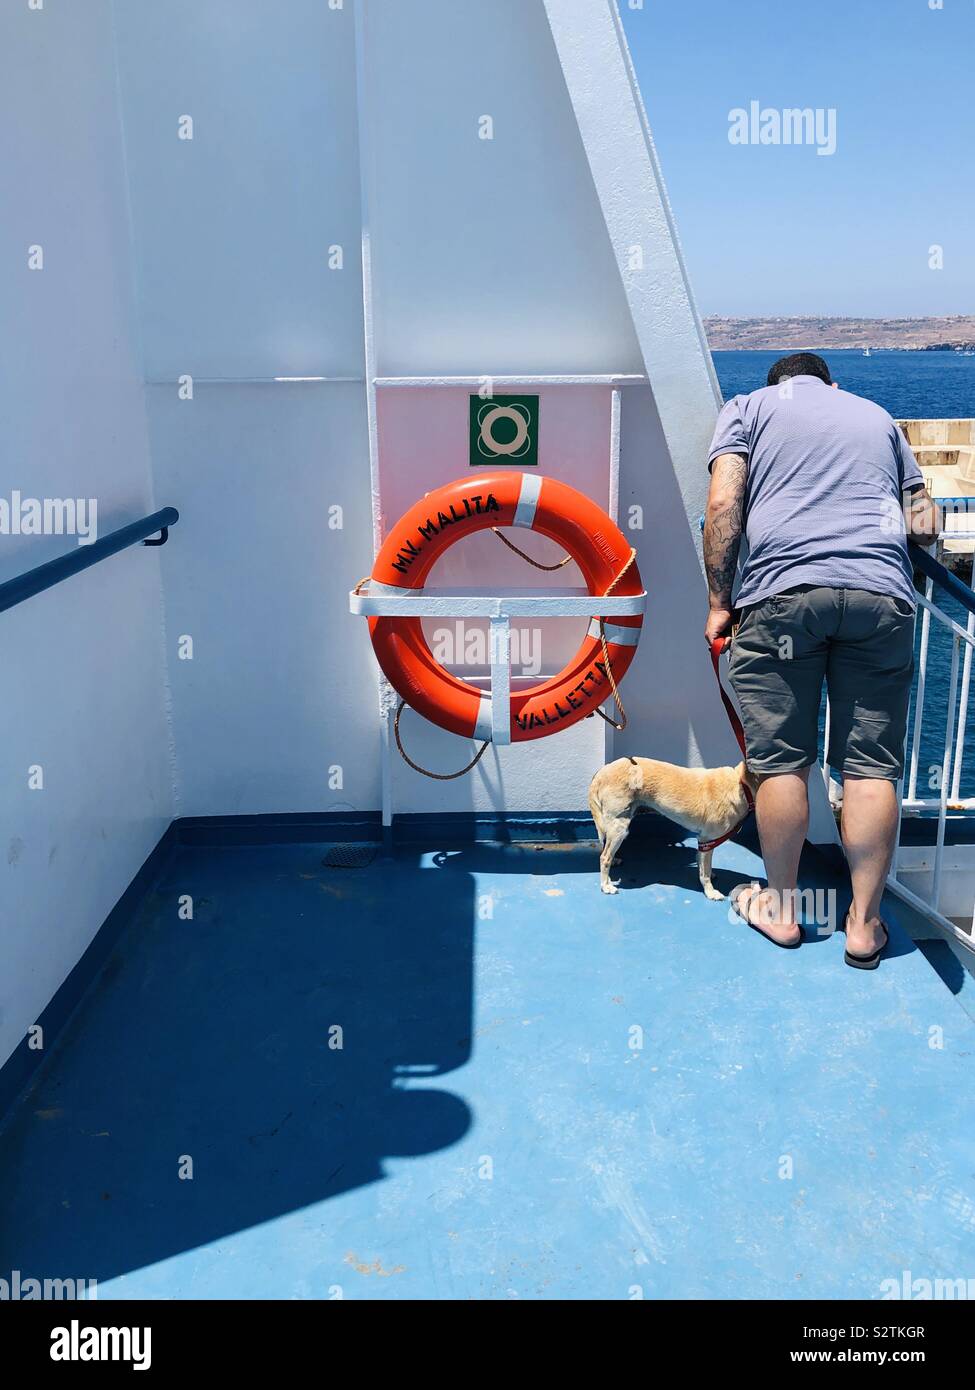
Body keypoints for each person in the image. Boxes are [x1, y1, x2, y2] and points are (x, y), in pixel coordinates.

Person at [703, 352, 941, 964]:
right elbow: (924, 523)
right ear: (832, 384)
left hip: (782, 601)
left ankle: (782, 913)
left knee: (780, 761)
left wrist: (718, 602)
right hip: (878, 599)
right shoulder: (876, 416)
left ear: (775, 384)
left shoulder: (747, 409)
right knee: (869, 768)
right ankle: (863, 927)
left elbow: (725, 507)